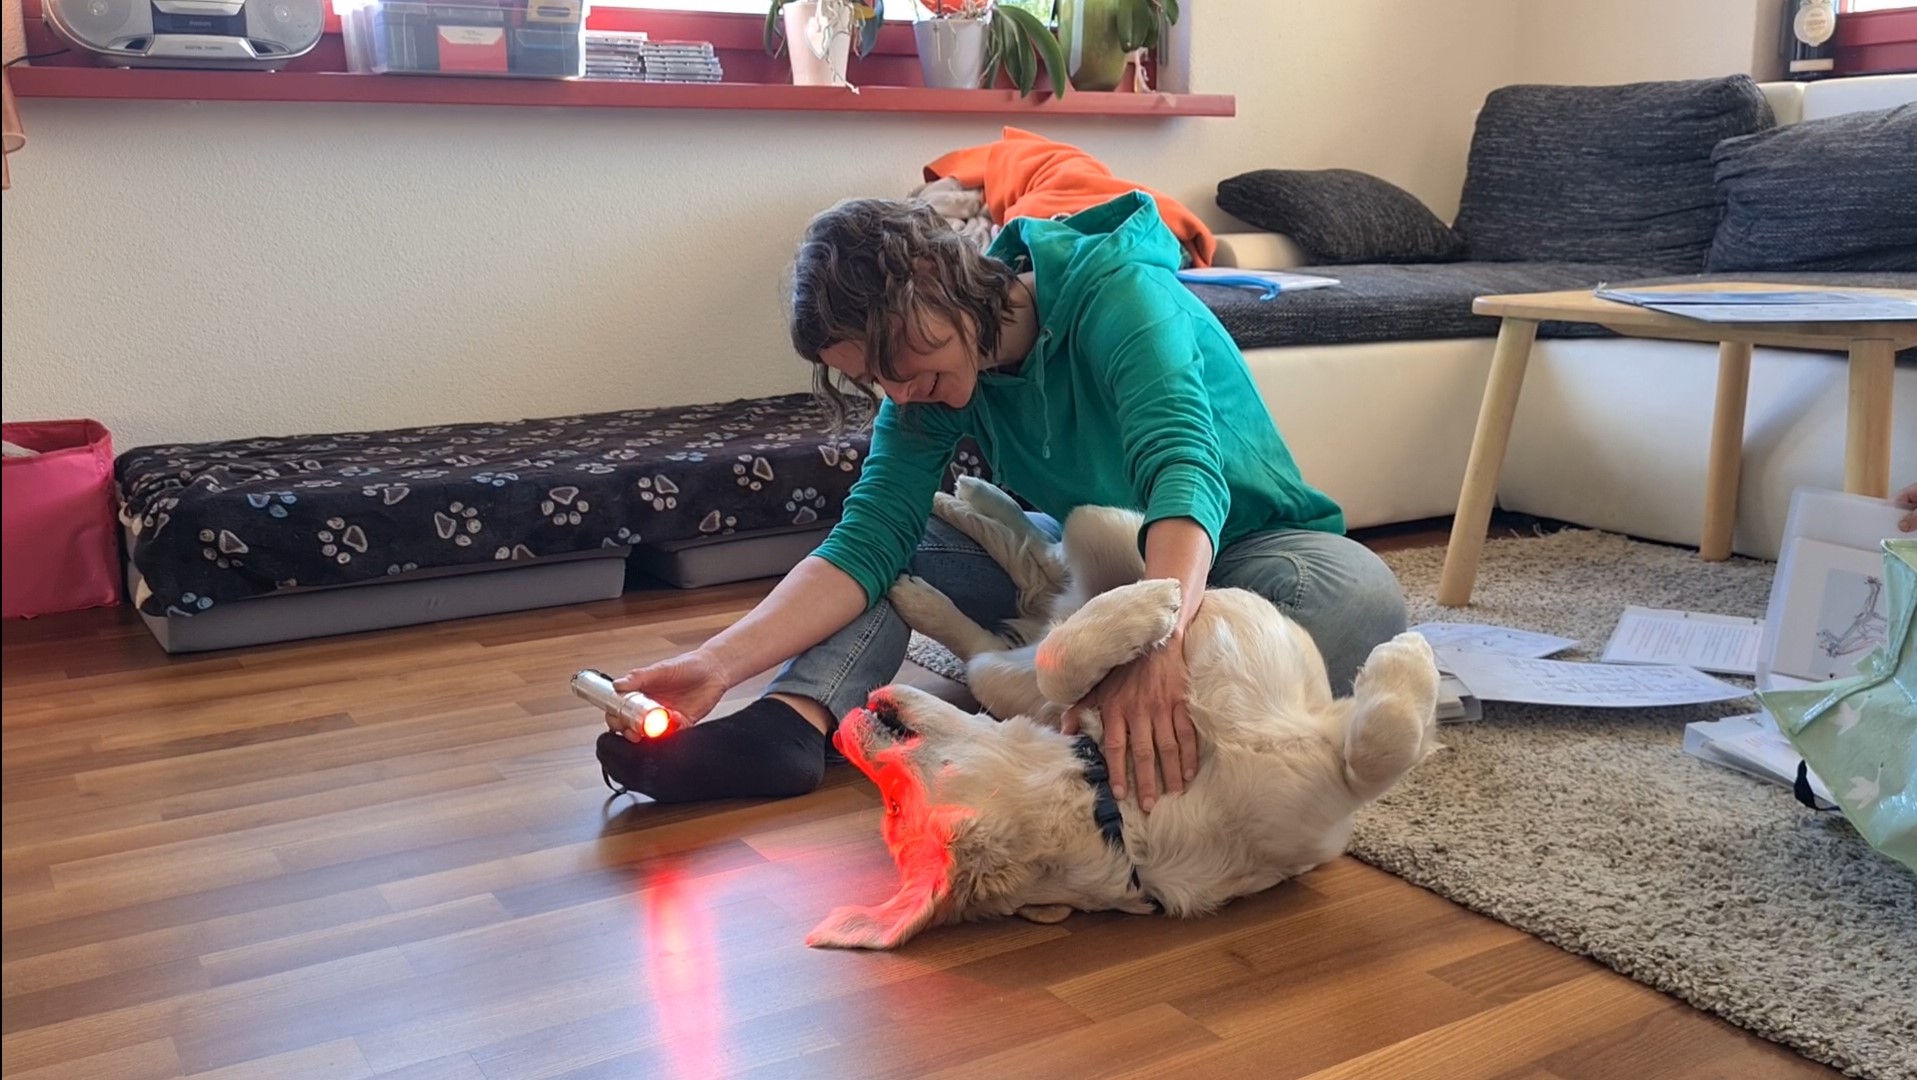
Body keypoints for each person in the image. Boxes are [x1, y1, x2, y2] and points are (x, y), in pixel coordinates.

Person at [595, 192, 1408, 810]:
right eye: (870, 378)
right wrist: (717, 664)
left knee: (1354, 593)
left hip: (1242, 550)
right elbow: (868, 536)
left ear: (936, 279)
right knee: (903, 544)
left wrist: (1151, 639)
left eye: (895, 358)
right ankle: (794, 722)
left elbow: (1182, 466)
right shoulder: (925, 381)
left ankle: (1128, 722)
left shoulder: (1118, 292)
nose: (896, 390)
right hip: (1089, 573)